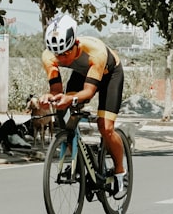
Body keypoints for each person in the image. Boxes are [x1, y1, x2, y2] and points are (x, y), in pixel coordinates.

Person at [39, 13, 127, 200]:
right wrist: (51, 97)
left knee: (105, 126)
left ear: (75, 43)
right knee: (63, 112)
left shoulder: (95, 51)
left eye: (65, 53)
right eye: (57, 54)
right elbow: (56, 89)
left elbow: (88, 92)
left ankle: (120, 173)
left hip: (109, 75)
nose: (62, 59)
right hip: (82, 73)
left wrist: (70, 99)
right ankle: (78, 159)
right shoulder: (49, 56)